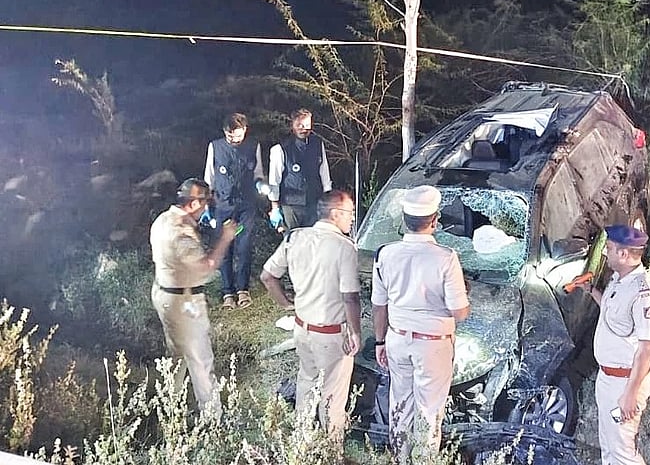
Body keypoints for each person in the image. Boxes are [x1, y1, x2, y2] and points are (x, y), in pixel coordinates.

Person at [371, 185, 470, 461]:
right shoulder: (446, 258)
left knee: (400, 404)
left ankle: (399, 459)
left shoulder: (385, 254)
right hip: (433, 346)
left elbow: (379, 305)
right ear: (435, 221)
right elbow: (459, 312)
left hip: (397, 339)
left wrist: (380, 341)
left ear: (405, 220)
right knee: (429, 410)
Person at [259, 190, 361, 439]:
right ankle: (331, 448)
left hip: (302, 329)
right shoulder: (344, 248)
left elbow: (267, 276)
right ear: (335, 214)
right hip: (331, 334)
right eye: (350, 213)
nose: (352, 219)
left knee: (306, 381)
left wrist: (285, 304)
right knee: (333, 395)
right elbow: (350, 297)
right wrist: (356, 332)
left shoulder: (295, 238)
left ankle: (302, 440)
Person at [149, 178, 238, 416]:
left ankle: (169, 410)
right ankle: (213, 418)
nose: (207, 208)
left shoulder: (162, 220)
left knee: (177, 358)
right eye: (205, 203)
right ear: (195, 202)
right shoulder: (180, 231)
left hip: (165, 294)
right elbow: (206, 266)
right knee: (201, 361)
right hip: (183, 303)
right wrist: (226, 238)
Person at [589, 225, 650, 465]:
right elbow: (614, 315)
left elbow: (647, 349)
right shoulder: (620, 279)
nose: (604, 254)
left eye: (608, 249)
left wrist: (630, 395)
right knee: (608, 447)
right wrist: (591, 291)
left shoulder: (644, 295)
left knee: (623, 453)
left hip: (624, 383)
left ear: (623, 254)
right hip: (608, 380)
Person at [203, 112, 265, 310]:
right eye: (230, 136)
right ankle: (227, 292)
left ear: (245, 130)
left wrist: (263, 187)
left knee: (244, 247)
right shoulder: (215, 147)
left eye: (238, 135)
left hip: (246, 205)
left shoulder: (253, 146)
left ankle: (243, 290)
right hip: (223, 204)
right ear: (225, 132)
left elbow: (258, 174)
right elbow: (209, 178)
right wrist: (206, 206)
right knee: (225, 248)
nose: (234, 139)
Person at [267, 109, 333, 231]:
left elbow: (324, 171)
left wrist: (327, 197)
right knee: (293, 241)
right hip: (291, 205)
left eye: (307, 125)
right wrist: (275, 208)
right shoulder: (280, 149)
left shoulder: (317, 144)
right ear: (293, 125)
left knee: (313, 241)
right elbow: (274, 180)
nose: (304, 129)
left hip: (314, 202)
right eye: (300, 125)